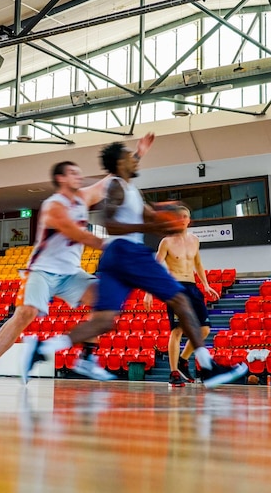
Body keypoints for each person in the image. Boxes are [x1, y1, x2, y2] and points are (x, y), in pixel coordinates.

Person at [24, 141, 248, 387]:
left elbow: (148, 214)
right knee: (180, 299)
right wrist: (150, 226)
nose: (135, 160)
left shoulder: (130, 190)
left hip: (113, 257)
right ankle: (208, 367)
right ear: (121, 163)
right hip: (127, 251)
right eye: (130, 157)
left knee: (104, 321)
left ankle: (46, 348)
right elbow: (110, 223)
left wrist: (165, 217)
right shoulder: (116, 186)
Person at [0, 134, 156, 385]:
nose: (78, 176)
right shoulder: (53, 205)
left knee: (102, 302)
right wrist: (114, 245)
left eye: (79, 173)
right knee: (25, 313)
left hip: (71, 272)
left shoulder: (83, 197)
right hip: (42, 271)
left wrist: (139, 153)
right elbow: (77, 233)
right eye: (73, 173)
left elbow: (115, 176)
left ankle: (87, 359)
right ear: (61, 178)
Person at [145, 205, 220, 387]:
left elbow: (198, 263)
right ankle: (173, 373)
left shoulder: (194, 240)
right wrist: (148, 292)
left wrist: (206, 285)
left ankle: (183, 360)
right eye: (178, 217)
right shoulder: (166, 242)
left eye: (184, 216)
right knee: (177, 330)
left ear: (188, 220)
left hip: (193, 287)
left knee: (204, 329)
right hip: (175, 288)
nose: (181, 220)